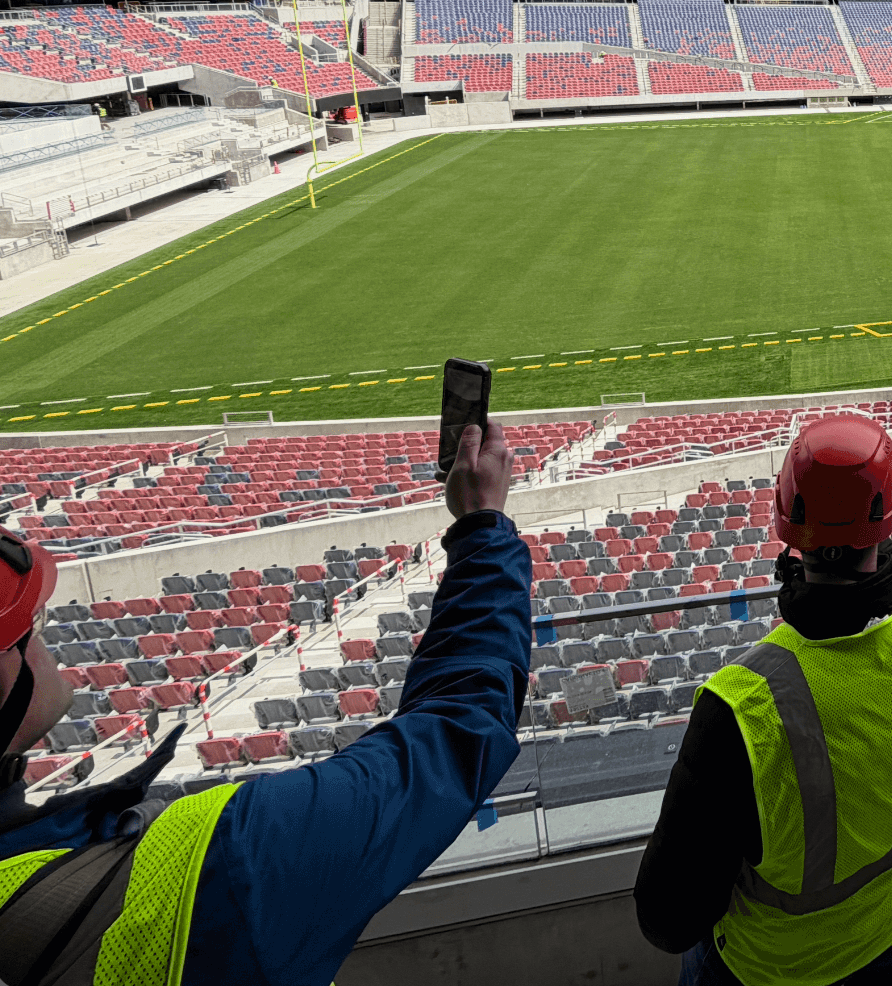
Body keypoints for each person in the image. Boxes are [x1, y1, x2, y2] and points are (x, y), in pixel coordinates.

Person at [0, 418, 530, 984]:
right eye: (28, 625)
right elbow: (455, 733)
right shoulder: (214, 862)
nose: (44, 635)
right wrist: (481, 529)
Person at [636, 413, 892, 986]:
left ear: (786, 520)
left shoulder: (739, 709)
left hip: (766, 972)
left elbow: (667, 920)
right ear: (887, 516)